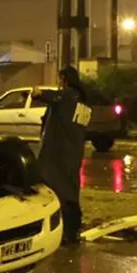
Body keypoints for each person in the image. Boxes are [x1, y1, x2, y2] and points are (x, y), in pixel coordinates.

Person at [32, 66, 92, 246]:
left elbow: (50, 96)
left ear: (65, 79)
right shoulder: (83, 103)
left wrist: (37, 92)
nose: (59, 83)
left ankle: (64, 230)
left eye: (60, 79)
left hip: (58, 152)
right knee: (71, 190)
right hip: (74, 152)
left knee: (58, 190)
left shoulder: (67, 96)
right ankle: (73, 229)